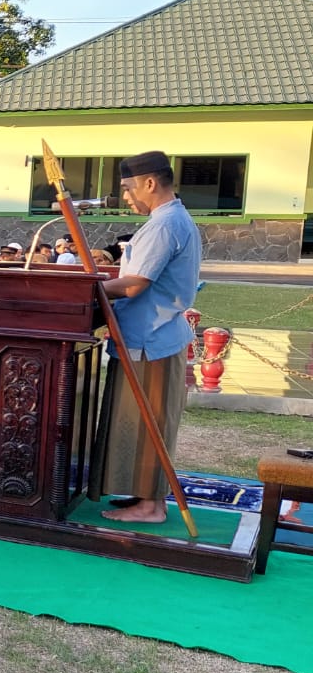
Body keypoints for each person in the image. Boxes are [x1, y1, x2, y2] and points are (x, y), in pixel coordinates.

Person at [94, 151, 202, 523]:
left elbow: (137, 285)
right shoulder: (167, 218)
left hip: (152, 340)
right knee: (138, 421)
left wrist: (88, 288)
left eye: (128, 188)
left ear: (150, 183)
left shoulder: (164, 224)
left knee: (148, 423)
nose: (125, 196)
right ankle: (144, 495)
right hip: (146, 338)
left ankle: (151, 505)